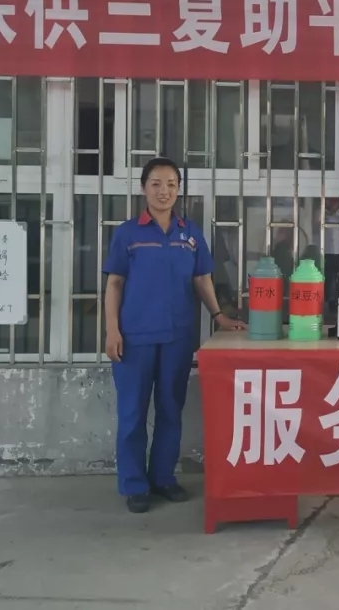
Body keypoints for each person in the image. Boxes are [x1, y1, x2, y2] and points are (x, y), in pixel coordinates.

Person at [103, 157, 246, 514]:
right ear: (143, 189)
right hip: (134, 337)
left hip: (178, 337)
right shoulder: (128, 234)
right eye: (155, 183)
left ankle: (163, 477)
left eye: (170, 184)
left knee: (171, 409)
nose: (163, 191)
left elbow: (202, 279)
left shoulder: (190, 234)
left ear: (179, 190)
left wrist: (218, 316)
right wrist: (112, 330)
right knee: (133, 414)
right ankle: (135, 485)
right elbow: (115, 283)